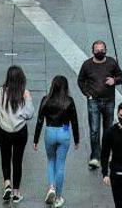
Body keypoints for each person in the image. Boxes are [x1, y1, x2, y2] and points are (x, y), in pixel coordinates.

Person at [0, 66, 35, 203]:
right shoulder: (24, 93)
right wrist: (28, 100)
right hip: (20, 131)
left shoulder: (0, 92)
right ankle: (16, 192)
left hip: (4, 131)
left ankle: (7, 183)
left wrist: (0, 115)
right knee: (17, 160)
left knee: (5, 158)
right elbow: (29, 113)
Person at [32, 76, 80, 208]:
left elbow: (40, 120)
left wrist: (35, 139)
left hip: (50, 131)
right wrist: (77, 139)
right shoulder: (69, 101)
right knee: (61, 164)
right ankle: (58, 197)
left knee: (50, 161)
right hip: (64, 132)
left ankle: (51, 186)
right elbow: (74, 121)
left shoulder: (45, 100)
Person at [78, 40, 122, 169]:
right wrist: (88, 94)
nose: (99, 51)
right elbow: (80, 80)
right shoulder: (87, 65)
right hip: (93, 101)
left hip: (109, 100)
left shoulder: (111, 62)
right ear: (93, 51)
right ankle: (95, 156)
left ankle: (105, 153)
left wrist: (114, 80)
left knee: (108, 129)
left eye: (102, 49)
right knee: (94, 130)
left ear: (106, 50)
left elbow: (121, 76)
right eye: (97, 49)